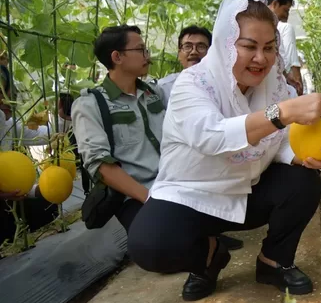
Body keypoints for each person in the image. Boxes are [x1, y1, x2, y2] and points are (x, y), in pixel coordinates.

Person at [127, 0, 321, 302]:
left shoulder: (275, 88)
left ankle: (273, 260)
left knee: (303, 182)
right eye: (249, 46)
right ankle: (209, 255)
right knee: (150, 245)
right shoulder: (194, 84)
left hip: (247, 191)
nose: (260, 58)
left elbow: (281, 142)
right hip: (192, 197)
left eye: (269, 48)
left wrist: (307, 157)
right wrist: (280, 114)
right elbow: (211, 136)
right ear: (227, 44)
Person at [71, 25, 165, 232]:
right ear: (117, 57)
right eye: (140, 49)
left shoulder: (155, 92)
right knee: (155, 242)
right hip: (135, 196)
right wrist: (150, 199)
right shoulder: (89, 105)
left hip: (174, 183)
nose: (147, 55)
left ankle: (207, 249)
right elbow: (101, 165)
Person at [0, 64, 58, 246]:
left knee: (47, 205)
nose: (10, 98)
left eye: (9, 92)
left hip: (8, 198)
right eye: (6, 93)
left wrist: (63, 116)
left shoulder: (8, 125)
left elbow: (46, 134)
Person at [158, 25, 212, 104]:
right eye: (187, 46)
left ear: (211, 52)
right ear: (179, 53)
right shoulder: (164, 87)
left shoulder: (222, 86)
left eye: (201, 47)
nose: (194, 52)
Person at [267, 0, 303, 96]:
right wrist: (297, 80)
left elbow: (276, 58)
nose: (287, 16)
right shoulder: (284, 27)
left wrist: (286, 76)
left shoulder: (272, 26)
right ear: (275, 4)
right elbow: (293, 60)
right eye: (285, 10)